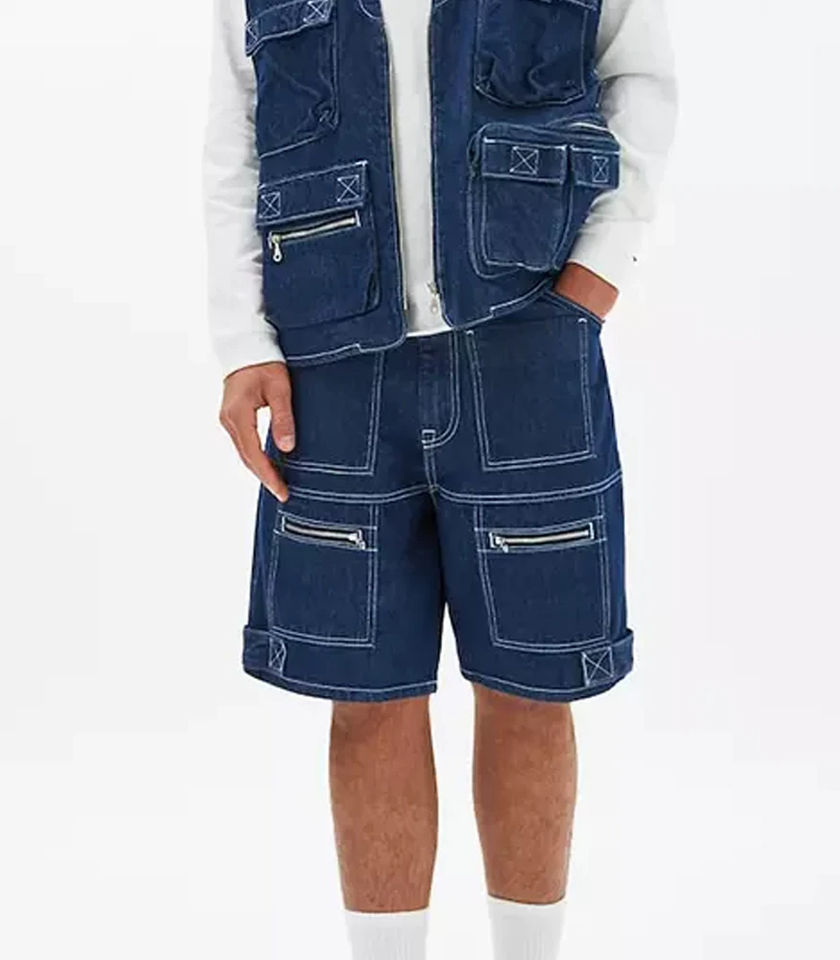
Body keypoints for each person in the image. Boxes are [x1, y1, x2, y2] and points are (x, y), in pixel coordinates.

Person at [203, 1, 676, 957]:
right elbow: (234, 133)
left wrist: (597, 273)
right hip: (330, 359)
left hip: (527, 333)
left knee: (532, 685)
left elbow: (640, 75)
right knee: (365, 691)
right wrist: (242, 340)